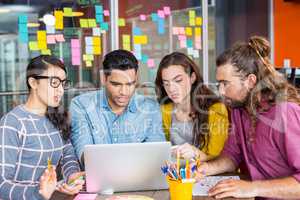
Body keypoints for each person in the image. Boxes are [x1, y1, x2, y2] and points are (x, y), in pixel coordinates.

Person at [196, 36, 300, 199]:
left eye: (226, 83)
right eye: (219, 84)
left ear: (251, 81)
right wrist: (206, 169)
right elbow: (232, 155)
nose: (221, 91)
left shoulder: (286, 112)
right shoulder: (239, 109)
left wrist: (253, 188)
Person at [0, 55, 84, 200]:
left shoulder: (56, 118)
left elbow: (68, 155)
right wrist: (39, 191)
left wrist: (73, 176)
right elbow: (2, 185)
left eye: (63, 83)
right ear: (33, 82)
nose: (60, 90)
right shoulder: (12, 123)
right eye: (54, 82)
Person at [70, 49, 165, 164]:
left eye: (130, 84)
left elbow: (156, 156)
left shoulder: (150, 108)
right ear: (104, 79)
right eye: (116, 84)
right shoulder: (81, 106)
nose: (124, 92)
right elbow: (84, 156)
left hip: (140, 179)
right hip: (99, 179)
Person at [155, 52, 229, 162]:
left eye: (178, 80)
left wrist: (195, 153)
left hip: (208, 175)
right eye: (166, 83)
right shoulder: (164, 111)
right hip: (177, 175)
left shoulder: (216, 109)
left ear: (192, 78)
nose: (171, 89)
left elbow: (219, 158)